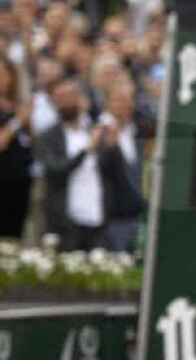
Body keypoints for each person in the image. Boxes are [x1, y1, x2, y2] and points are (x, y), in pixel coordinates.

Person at [37, 77, 107, 252]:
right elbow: (56, 170)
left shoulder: (94, 130)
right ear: (53, 103)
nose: (67, 101)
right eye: (60, 97)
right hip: (66, 220)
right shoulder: (48, 136)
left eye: (71, 95)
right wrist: (86, 151)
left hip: (98, 217)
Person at [97, 80, 146, 252]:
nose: (124, 104)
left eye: (128, 99)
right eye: (119, 99)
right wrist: (109, 148)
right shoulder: (99, 132)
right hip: (113, 217)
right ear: (107, 103)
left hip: (138, 214)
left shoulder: (137, 132)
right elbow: (101, 166)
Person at [0, 56, 33, 240]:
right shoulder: (19, 114)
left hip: (21, 178)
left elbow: (30, 141)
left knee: (16, 234)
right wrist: (18, 121)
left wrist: (28, 122)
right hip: (2, 178)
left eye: (5, 73)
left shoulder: (18, 106)